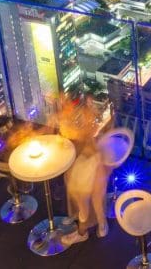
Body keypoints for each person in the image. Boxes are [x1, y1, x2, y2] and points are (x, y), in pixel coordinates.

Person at [59, 99, 111, 245]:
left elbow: (91, 141)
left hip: (95, 164)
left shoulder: (92, 129)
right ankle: (91, 222)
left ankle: (84, 231)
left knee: (91, 199)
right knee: (85, 196)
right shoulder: (89, 128)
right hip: (89, 161)